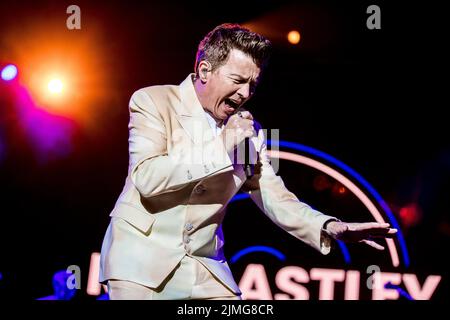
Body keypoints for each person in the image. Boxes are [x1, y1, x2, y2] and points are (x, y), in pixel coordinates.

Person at [99, 23, 397, 300]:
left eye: (252, 85)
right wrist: (220, 146)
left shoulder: (251, 133)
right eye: (238, 81)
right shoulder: (153, 101)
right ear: (205, 71)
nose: (245, 94)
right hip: (140, 259)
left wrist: (329, 226)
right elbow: (148, 178)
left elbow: (274, 195)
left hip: (204, 266)